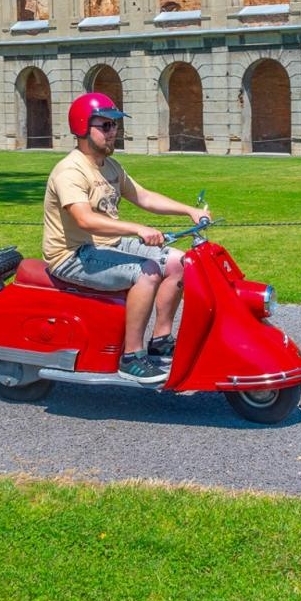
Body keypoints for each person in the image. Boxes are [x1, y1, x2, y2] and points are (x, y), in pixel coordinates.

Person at [42, 92, 208, 384]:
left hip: (106, 244)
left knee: (179, 262)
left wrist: (189, 210)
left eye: (115, 125)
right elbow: (84, 219)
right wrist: (138, 229)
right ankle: (131, 357)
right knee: (147, 272)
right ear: (82, 128)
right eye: (105, 125)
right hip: (72, 254)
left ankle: (161, 341)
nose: (113, 132)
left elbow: (143, 196)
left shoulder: (111, 167)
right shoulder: (70, 170)